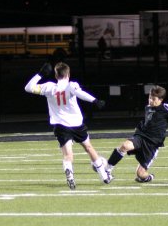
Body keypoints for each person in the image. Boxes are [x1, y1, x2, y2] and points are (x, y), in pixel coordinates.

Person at [24, 62, 108, 190]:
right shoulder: (71, 85)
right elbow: (81, 94)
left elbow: (28, 88)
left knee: (68, 155)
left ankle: (70, 177)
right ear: (68, 74)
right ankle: (104, 176)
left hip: (61, 126)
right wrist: (95, 101)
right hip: (76, 124)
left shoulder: (49, 87)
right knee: (89, 148)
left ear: (56, 75)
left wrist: (40, 74)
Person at [104, 85, 168, 183]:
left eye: (153, 99)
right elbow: (149, 121)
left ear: (160, 100)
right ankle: (107, 170)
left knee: (140, 174)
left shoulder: (166, 108)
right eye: (149, 97)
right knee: (125, 146)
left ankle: (148, 177)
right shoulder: (148, 107)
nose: (150, 100)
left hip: (152, 144)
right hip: (141, 136)